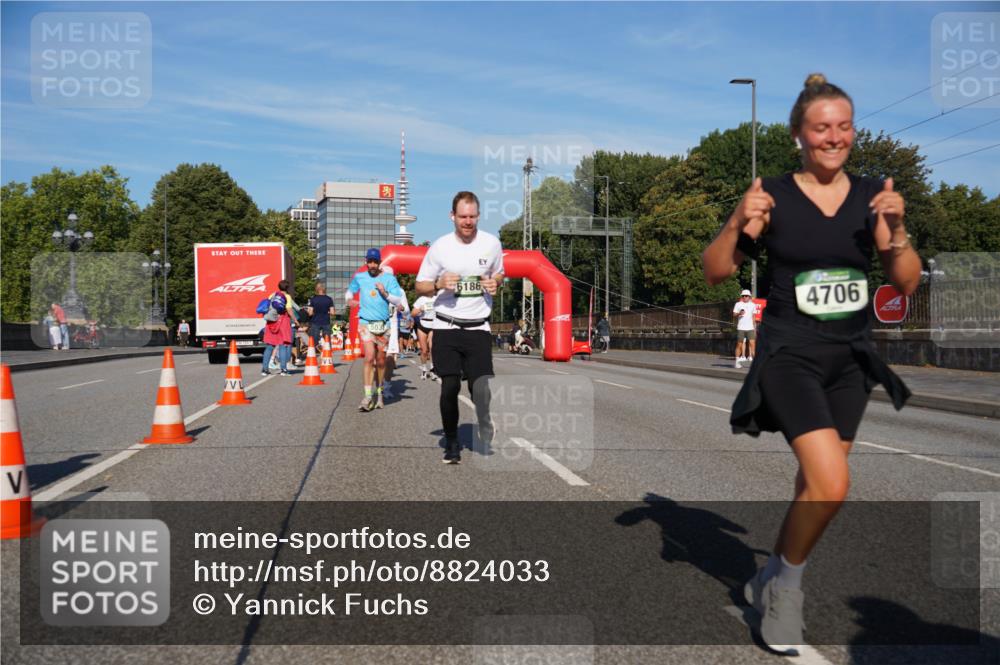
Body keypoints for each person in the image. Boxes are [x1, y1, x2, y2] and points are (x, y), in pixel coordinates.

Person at [702, 73, 920, 652]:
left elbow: (905, 280)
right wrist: (735, 218)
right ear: (798, 133)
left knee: (812, 485)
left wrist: (895, 230)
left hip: (850, 358)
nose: (834, 138)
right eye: (821, 128)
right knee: (832, 481)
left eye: (844, 127)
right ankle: (787, 592)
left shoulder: (874, 193)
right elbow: (716, 271)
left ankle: (769, 572)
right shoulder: (771, 195)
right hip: (789, 353)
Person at [415, 191, 504, 464]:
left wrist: (496, 283)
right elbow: (420, 285)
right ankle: (452, 442)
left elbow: (499, 274)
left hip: (478, 327)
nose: (468, 222)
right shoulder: (440, 247)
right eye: (463, 216)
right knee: (449, 387)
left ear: (478, 216)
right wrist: (439, 284)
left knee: (481, 389)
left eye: (472, 216)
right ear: (452, 216)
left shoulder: (491, 244)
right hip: (446, 326)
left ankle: (485, 418)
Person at [346, 248, 404, 411]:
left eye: (375, 262)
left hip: (383, 324)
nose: (372, 264)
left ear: (379, 263)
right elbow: (349, 291)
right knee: (369, 357)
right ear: (366, 262)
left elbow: (397, 299)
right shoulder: (360, 277)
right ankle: (367, 397)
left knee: (380, 361)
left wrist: (384, 293)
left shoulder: (389, 279)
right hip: (365, 323)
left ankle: (379, 394)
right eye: (369, 261)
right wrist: (350, 299)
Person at [261, 280, 298, 376]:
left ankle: (264, 370)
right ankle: (283, 370)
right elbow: (289, 309)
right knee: (283, 346)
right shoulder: (287, 297)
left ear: (279, 287)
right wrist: (295, 320)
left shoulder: (273, 295)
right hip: (283, 322)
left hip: (271, 322)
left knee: (269, 346)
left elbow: (267, 306)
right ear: (287, 288)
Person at [411, 294, 437, 381]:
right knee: (424, 350)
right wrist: (419, 309)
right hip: (422, 324)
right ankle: (424, 369)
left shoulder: (437, 298)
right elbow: (413, 313)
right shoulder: (421, 299)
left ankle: (433, 370)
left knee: (432, 348)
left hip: (433, 324)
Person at [732, 290, 758, 368]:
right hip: (741, 328)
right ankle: (737, 361)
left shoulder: (753, 305)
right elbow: (734, 314)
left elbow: (754, 317)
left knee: (752, 344)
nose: (744, 297)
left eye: (746, 296)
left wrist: (755, 328)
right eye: (743, 296)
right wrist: (739, 313)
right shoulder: (738, 304)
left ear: (749, 297)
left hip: (750, 328)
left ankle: (755, 363)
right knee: (739, 345)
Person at [306, 282, 336, 348]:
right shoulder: (329, 299)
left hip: (315, 321)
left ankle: (314, 353)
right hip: (326, 321)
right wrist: (327, 312)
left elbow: (310, 313)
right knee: (327, 340)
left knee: (314, 340)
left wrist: (313, 312)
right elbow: (332, 312)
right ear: (324, 289)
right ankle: (328, 354)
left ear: (317, 289)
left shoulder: (313, 299)